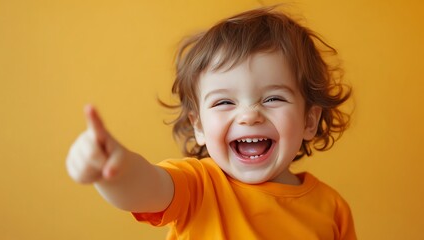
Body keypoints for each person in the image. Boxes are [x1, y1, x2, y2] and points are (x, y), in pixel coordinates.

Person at [66, 6, 356, 240]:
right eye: (224, 102)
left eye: (272, 99)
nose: (249, 115)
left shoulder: (331, 209)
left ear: (309, 120)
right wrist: (115, 170)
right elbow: (145, 188)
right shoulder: (198, 186)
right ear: (199, 127)